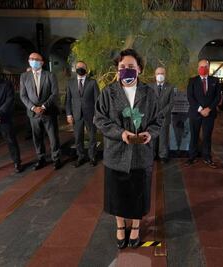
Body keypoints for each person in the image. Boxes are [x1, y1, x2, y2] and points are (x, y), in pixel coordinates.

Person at [94, 49, 161, 249]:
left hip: (141, 154)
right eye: (122, 67)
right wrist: (121, 133)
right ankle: (121, 225)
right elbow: (99, 119)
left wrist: (150, 133)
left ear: (139, 69)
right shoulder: (108, 92)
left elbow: (159, 120)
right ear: (117, 70)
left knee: (138, 194)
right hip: (116, 153)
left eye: (131, 67)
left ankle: (136, 227)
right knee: (117, 194)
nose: (126, 70)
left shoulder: (149, 93)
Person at [20, 52, 61, 170]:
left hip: (48, 111)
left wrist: (43, 107)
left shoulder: (50, 75)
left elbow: (54, 94)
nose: (33, 61)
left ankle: (56, 158)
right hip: (33, 113)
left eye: (36, 59)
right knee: (37, 137)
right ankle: (41, 158)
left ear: (42, 62)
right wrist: (33, 108)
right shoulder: (24, 76)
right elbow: (23, 96)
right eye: (31, 58)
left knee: (53, 137)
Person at [186, 59, 220, 168]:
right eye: (201, 66)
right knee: (194, 136)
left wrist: (209, 109)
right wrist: (200, 109)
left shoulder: (215, 80)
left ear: (208, 68)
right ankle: (192, 157)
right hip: (196, 113)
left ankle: (207, 157)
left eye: (205, 66)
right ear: (197, 68)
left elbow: (217, 97)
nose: (203, 68)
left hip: (209, 114)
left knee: (207, 136)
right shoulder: (192, 81)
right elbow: (190, 97)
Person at [65, 61, 99, 167]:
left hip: (90, 115)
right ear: (75, 69)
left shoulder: (92, 82)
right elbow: (68, 100)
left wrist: (97, 115)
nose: (80, 68)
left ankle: (92, 156)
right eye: (78, 67)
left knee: (92, 137)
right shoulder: (70, 83)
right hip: (76, 115)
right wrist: (69, 114)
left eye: (82, 67)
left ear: (86, 69)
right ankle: (80, 157)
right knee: (78, 137)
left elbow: (98, 100)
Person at [149, 67, 175, 163]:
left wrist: (162, 113)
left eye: (162, 73)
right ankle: (152, 155)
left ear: (165, 74)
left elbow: (171, 103)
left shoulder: (170, 87)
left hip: (164, 117)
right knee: (153, 137)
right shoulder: (150, 87)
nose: (160, 75)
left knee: (163, 138)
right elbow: (148, 101)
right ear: (155, 75)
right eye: (158, 73)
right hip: (153, 117)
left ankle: (163, 156)